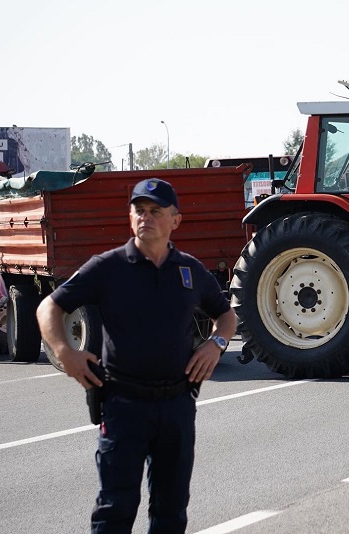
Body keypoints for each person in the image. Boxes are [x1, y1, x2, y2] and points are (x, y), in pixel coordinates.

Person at [36, 178, 237, 533]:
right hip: (123, 406)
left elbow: (226, 316)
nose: (146, 218)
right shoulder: (108, 268)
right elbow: (49, 307)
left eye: (156, 211)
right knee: (116, 509)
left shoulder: (190, 270)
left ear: (175, 220)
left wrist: (216, 344)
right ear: (130, 218)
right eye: (139, 211)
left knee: (171, 510)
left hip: (177, 405)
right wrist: (65, 352)